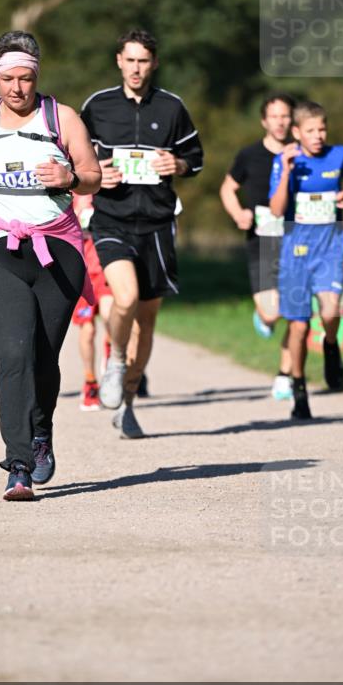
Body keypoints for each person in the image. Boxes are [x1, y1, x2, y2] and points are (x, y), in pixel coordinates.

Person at [0, 30, 101, 500]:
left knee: (43, 358)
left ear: (37, 75)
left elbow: (93, 177)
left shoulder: (64, 118)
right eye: (8, 79)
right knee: (13, 354)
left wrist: (70, 177)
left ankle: (41, 433)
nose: (17, 88)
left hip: (58, 251)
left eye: (26, 78)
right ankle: (17, 463)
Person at [81, 28, 203, 439]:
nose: (136, 68)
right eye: (130, 60)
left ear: (153, 64)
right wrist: (98, 175)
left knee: (147, 321)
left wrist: (178, 166)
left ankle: (128, 402)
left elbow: (194, 157)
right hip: (111, 220)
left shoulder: (171, 108)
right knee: (125, 297)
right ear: (119, 61)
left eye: (144, 61)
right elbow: (74, 160)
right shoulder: (97, 107)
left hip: (157, 223)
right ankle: (114, 361)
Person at [269, 100, 343, 419]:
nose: (318, 135)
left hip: (330, 248)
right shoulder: (285, 161)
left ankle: (331, 345)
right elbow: (278, 210)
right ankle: (299, 389)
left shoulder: (341, 155)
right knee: (298, 326)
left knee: (331, 311)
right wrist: (287, 173)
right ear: (296, 132)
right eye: (311, 130)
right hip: (295, 252)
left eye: (322, 128)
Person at [219, 93, 295, 402]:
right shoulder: (249, 155)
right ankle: (263, 317)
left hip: (295, 242)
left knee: (296, 312)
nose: (281, 122)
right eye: (275, 116)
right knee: (272, 312)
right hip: (261, 241)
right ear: (265, 121)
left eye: (286, 116)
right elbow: (227, 188)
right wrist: (238, 213)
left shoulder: (301, 155)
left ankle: (285, 376)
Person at [71, 192, 113, 411]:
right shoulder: (70, 191)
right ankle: (90, 382)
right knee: (87, 331)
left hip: (106, 267)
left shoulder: (109, 189)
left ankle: (110, 354)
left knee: (110, 317)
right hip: (82, 272)